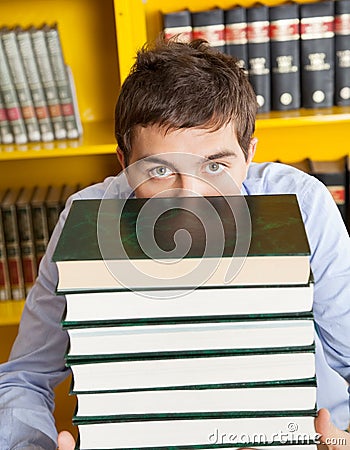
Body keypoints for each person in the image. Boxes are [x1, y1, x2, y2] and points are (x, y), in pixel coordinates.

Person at [0, 37, 349, 450]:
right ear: (123, 162)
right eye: (161, 169)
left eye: (216, 165)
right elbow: (24, 375)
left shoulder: (303, 203)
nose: (191, 197)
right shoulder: (86, 219)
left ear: (249, 153)